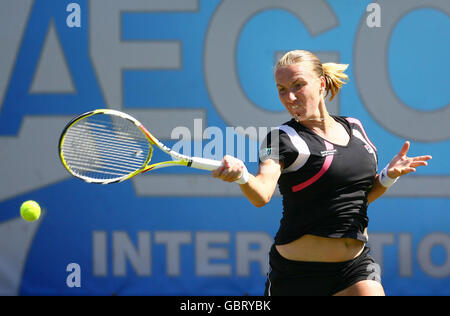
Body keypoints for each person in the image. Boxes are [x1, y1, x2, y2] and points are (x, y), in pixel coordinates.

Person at [211, 50, 432, 296]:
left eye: (298, 85)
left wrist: (388, 177)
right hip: (297, 276)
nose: (290, 97)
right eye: (281, 89)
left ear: (321, 84)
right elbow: (261, 194)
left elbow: (358, 198)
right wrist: (241, 175)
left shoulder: (355, 128)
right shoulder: (281, 139)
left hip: (355, 267)